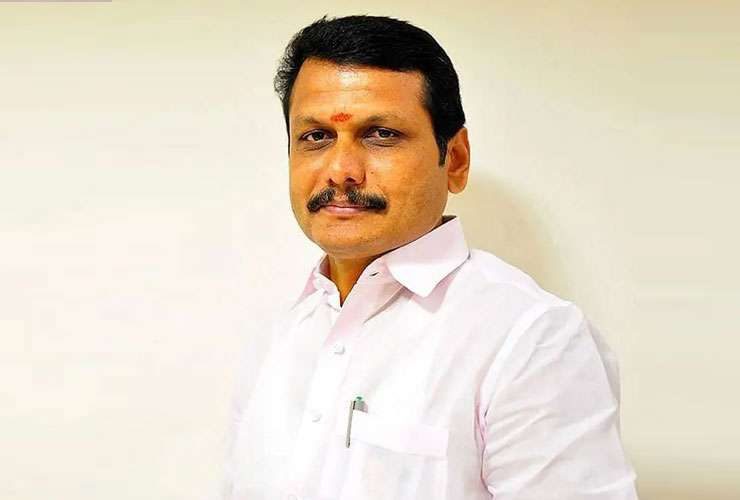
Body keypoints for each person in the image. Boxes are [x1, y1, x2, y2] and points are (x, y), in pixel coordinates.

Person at [221, 15, 638, 500]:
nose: (341, 170)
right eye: (316, 137)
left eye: (380, 134)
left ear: (455, 159)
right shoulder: (278, 334)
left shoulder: (531, 338)